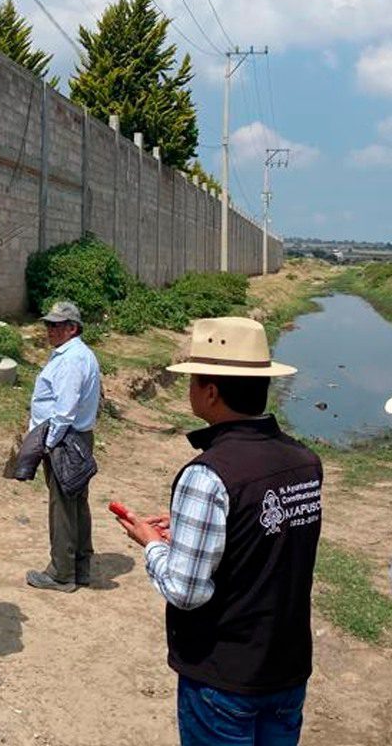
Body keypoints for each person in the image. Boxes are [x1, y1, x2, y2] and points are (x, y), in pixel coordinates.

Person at [115, 317, 321, 746]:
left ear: (210, 392)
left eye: (193, 381)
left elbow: (186, 589)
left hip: (224, 678)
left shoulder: (208, 474)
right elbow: (267, 533)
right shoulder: (304, 461)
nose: (189, 390)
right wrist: (199, 529)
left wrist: (151, 543)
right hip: (285, 668)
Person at [24, 300, 102, 594]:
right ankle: (80, 567)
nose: (49, 330)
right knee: (76, 502)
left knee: (63, 507)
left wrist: (47, 444)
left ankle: (61, 573)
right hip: (75, 438)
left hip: (65, 439)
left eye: (56, 325)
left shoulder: (71, 360)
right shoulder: (79, 355)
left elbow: (64, 410)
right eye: (48, 324)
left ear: (72, 328)